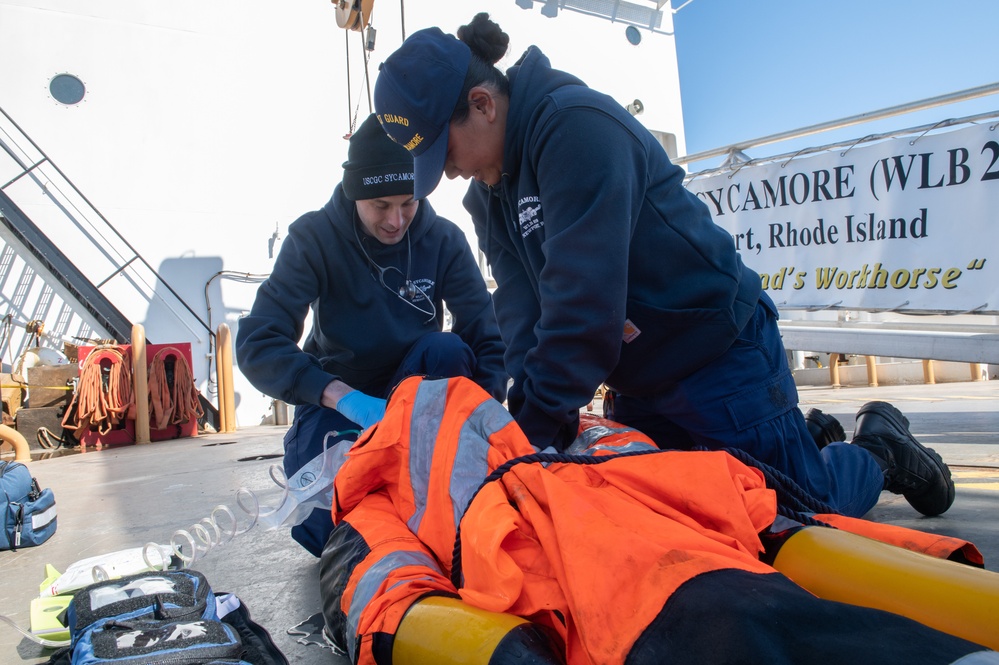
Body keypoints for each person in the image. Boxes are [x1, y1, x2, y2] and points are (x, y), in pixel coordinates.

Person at [370, 13, 954, 520]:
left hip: (716, 355)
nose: (446, 174)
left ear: (482, 104)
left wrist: (527, 437)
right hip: (641, 380)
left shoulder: (576, 128)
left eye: (443, 153)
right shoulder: (488, 194)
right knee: (676, 518)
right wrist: (530, 429)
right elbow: (523, 313)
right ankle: (802, 437)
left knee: (793, 514)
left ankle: (879, 449)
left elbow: (584, 308)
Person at [318, 374, 996, 665]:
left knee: (786, 553)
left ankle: (870, 445)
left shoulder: (559, 435)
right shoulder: (567, 433)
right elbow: (382, 579)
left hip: (665, 587)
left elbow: (381, 583)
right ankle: (863, 445)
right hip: (681, 579)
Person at [235, 113, 507, 556]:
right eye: (380, 205)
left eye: (409, 202)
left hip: (418, 400)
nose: (397, 221)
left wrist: (483, 418)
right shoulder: (313, 238)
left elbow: (487, 339)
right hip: (340, 401)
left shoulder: (443, 240)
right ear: (354, 191)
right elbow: (258, 343)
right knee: (330, 531)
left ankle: (439, 482)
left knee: (447, 347)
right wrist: (341, 396)